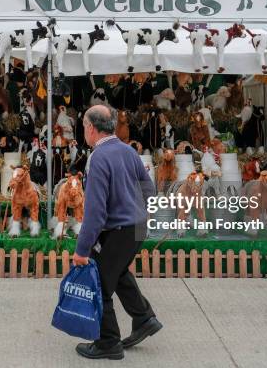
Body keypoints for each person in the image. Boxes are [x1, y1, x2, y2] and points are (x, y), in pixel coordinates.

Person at [73, 105, 162, 360]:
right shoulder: (128, 150)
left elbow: (95, 211)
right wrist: (140, 212)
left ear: (91, 128)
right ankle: (144, 318)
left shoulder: (98, 158)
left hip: (118, 230)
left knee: (99, 285)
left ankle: (108, 342)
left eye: (84, 127)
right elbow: (149, 188)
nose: (84, 132)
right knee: (118, 271)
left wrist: (82, 250)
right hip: (137, 227)